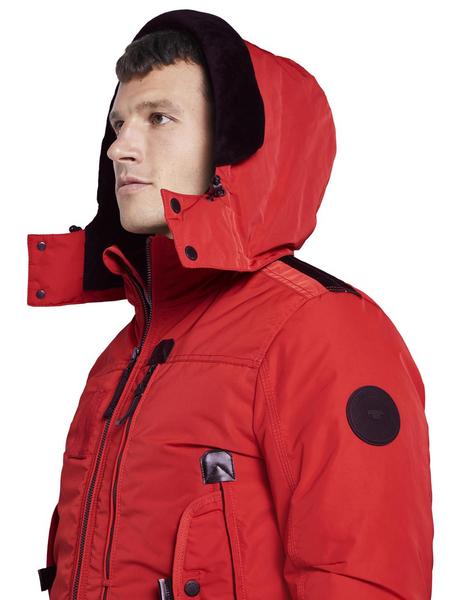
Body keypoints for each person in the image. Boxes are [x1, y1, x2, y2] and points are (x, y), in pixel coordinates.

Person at [28, 8, 434, 600]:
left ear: (234, 150)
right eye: (118, 124)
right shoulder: (121, 356)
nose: (120, 148)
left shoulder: (322, 330)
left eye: (158, 118)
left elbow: (363, 580)